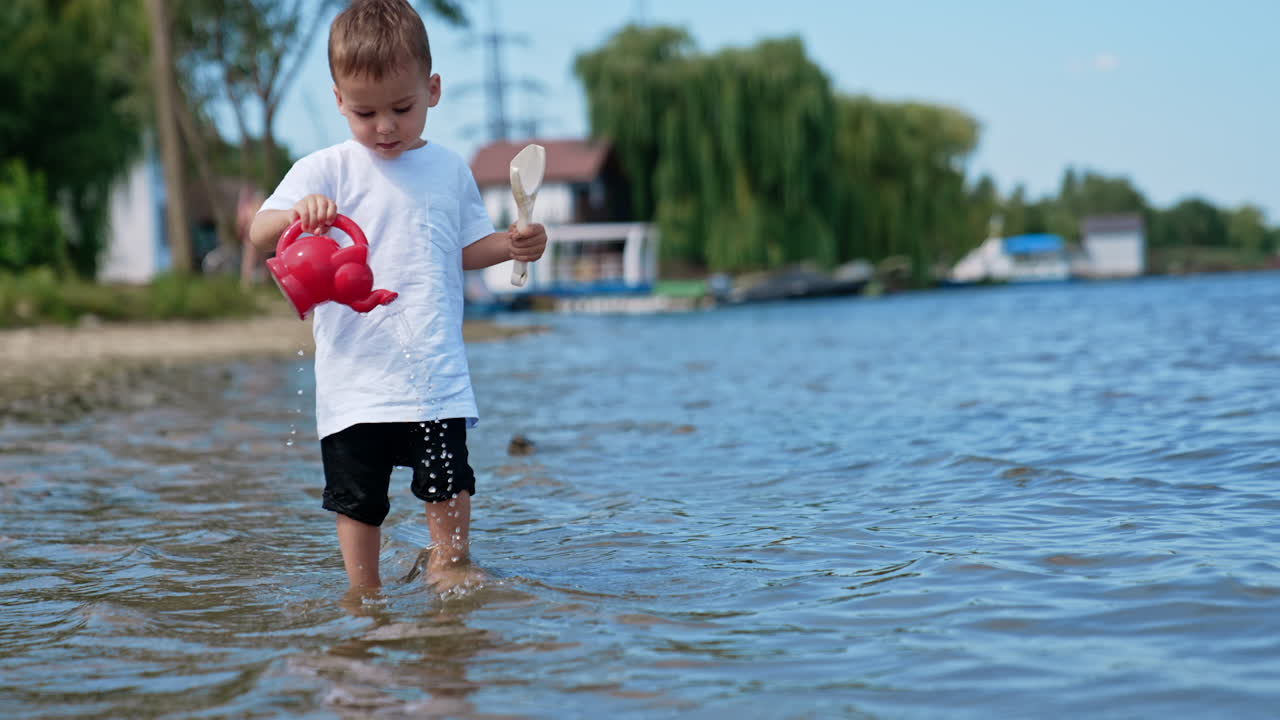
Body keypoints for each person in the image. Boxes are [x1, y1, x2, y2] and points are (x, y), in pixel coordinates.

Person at [248, 0, 546, 595]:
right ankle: (364, 594)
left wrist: (513, 245)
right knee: (357, 499)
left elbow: (463, 249)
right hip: (356, 379)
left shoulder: (449, 170)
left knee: (450, 481)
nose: (384, 126)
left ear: (432, 90)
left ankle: (450, 569)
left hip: (434, 370)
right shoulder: (326, 169)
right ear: (338, 101)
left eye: (401, 108)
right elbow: (259, 232)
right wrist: (298, 215)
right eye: (364, 112)